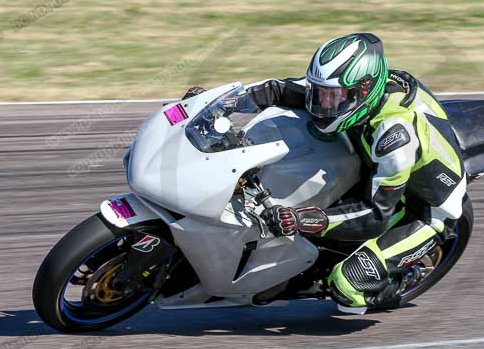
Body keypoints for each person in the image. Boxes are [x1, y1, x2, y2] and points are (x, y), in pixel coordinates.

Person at [189, 33, 466, 314]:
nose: (323, 104)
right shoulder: (342, 89)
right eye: (320, 93)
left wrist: (304, 219)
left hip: (420, 209)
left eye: (333, 98)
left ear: (364, 92)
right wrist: (219, 105)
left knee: (347, 286)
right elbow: (276, 89)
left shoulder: (394, 138)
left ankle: (393, 281)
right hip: (373, 167)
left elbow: (376, 215)